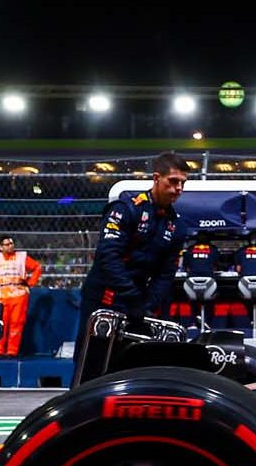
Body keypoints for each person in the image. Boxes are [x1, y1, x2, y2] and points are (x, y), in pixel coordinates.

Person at [77, 151, 188, 380]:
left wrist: (147, 305)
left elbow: (165, 274)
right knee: (92, 363)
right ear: (157, 178)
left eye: (182, 183)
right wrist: (133, 298)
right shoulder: (127, 209)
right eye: (173, 181)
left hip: (139, 302)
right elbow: (108, 257)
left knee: (130, 366)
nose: (178, 188)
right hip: (105, 296)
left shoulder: (176, 226)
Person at [0, 236, 42, 357]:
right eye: (7, 244)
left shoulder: (22, 257)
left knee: (16, 324)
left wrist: (29, 283)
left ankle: (12, 351)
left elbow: (37, 267)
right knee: (0, 323)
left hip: (19, 296)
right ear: (0, 247)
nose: (10, 246)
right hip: (2, 297)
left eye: (11, 243)